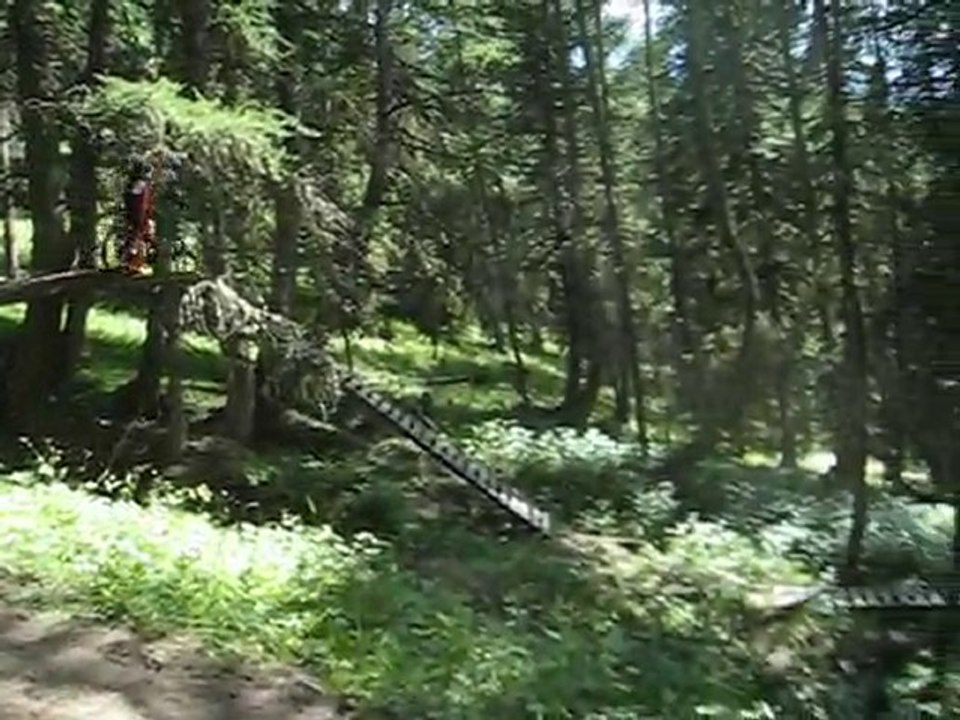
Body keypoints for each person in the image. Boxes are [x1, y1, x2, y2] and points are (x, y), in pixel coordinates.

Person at [118, 156, 157, 274]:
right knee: (139, 238)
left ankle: (129, 262)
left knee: (133, 237)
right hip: (139, 215)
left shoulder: (131, 184)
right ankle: (135, 264)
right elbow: (143, 203)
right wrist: (146, 216)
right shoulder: (142, 185)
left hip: (131, 214)